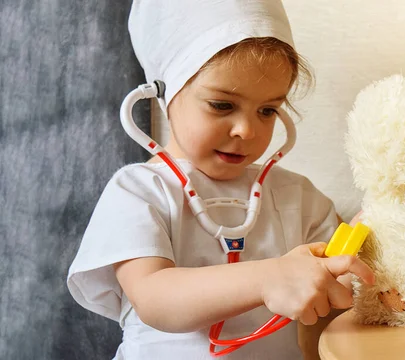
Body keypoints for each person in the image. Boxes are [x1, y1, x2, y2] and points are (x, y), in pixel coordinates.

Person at [66, 1, 375, 359]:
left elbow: (337, 292)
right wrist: (268, 277)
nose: (247, 130)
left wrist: (364, 255)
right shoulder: (138, 192)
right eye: (222, 105)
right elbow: (155, 298)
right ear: (163, 93)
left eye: (267, 111)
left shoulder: (298, 197)